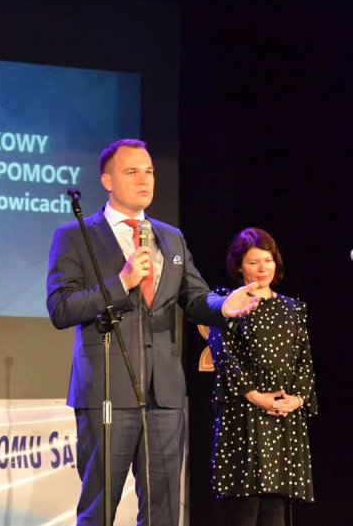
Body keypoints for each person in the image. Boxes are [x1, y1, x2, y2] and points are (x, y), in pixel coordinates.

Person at [46, 138, 259, 526]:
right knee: (99, 510)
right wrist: (121, 282)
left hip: (165, 395)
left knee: (164, 510)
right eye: (132, 172)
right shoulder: (75, 235)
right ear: (107, 181)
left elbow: (195, 297)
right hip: (107, 392)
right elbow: (61, 308)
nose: (144, 180)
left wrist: (224, 306)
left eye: (149, 171)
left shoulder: (170, 236)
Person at [208, 227, 317, 526]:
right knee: (244, 508)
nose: (262, 268)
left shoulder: (293, 308)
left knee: (276, 509)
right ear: (239, 266)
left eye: (267, 260)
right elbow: (224, 356)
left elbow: (304, 361)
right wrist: (255, 396)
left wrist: (297, 399)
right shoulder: (227, 303)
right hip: (244, 413)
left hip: (283, 416)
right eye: (253, 262)